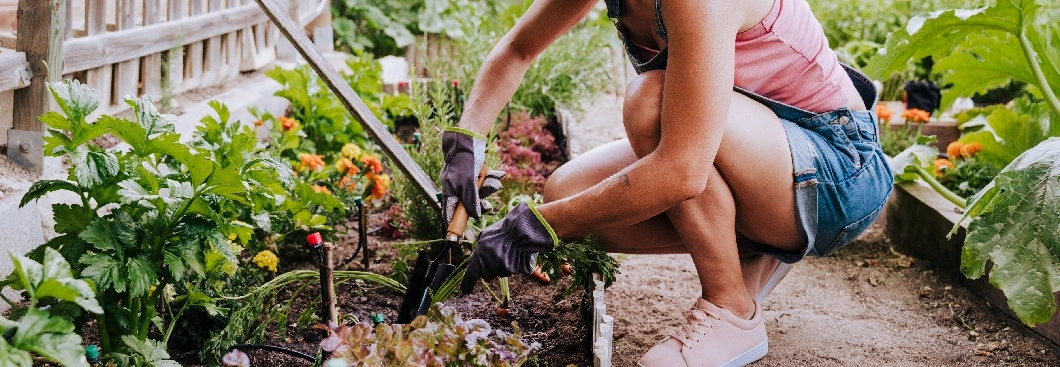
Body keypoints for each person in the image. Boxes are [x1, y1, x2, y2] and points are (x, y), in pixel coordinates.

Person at [442, 0, 894, 365]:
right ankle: (755, 247)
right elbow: (519, 49)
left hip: (837, 175)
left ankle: (731, 309)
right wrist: (466, 140)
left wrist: (534, 228)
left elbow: (681, 170)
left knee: (650, 104)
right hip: (767, 159)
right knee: (567, 193)